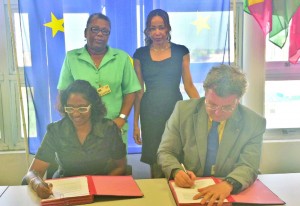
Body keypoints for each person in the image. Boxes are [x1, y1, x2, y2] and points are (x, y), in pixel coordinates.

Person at [157, 64, 266, 206]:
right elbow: (166, 151)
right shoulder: (183, 111)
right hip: (190, 191)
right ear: (205, 93)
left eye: (227, 107)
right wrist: (177, 171)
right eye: (212, 104)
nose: (218, 113)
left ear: (238, 100)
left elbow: (249, 165)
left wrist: (228, 184)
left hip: (229, 192)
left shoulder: (254, 123)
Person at [23, 80, 127, 199]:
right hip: (65, 192)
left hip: (100, 190)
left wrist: (97, 187)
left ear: (93, 106)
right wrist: (37, 184)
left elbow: (120, 167)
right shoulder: (56, 130)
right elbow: (32, 173)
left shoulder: (109, 128)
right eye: (70, 108)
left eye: (82, 108)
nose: (76, 114)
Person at [133, 9, 200, 178]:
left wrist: (202, 108)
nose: (157, 32)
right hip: (150, 112)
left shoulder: (181, 52)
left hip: (175, 109)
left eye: (161, 27)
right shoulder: (140, 54)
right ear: (147, 31)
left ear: (168, 28)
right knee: (155, 157)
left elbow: (189, 85)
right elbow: (139, 91)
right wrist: (135, 124)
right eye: (152, 28)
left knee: (176, 152)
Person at [57, 13, 141, 146]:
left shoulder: (121, 58)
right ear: (85, 32)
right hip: (80, 129)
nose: (100, 34)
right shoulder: (72, 58)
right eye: (95, 29)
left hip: (114, 127)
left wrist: (121, 119)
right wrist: (70, 121)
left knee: (116, 166)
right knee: (85, 165)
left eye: (105, 31)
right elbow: (63, 92)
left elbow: (130, 91)